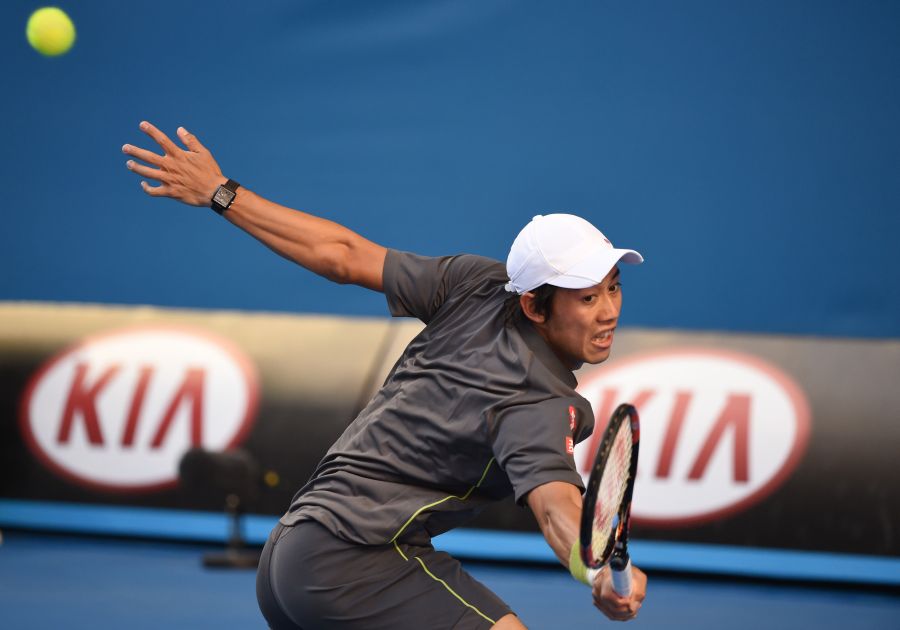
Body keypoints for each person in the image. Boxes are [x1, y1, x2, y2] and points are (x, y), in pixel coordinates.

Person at [123, 122, 648, 629]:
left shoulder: (475, 285)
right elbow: (556, 505)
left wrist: (221, 191)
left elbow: (344, 256)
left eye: (613, 288)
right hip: (352, 565)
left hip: (287, 554)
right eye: (587, 297)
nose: (608, 312)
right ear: (534, 306)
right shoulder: (538, 402)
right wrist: (597, 570)